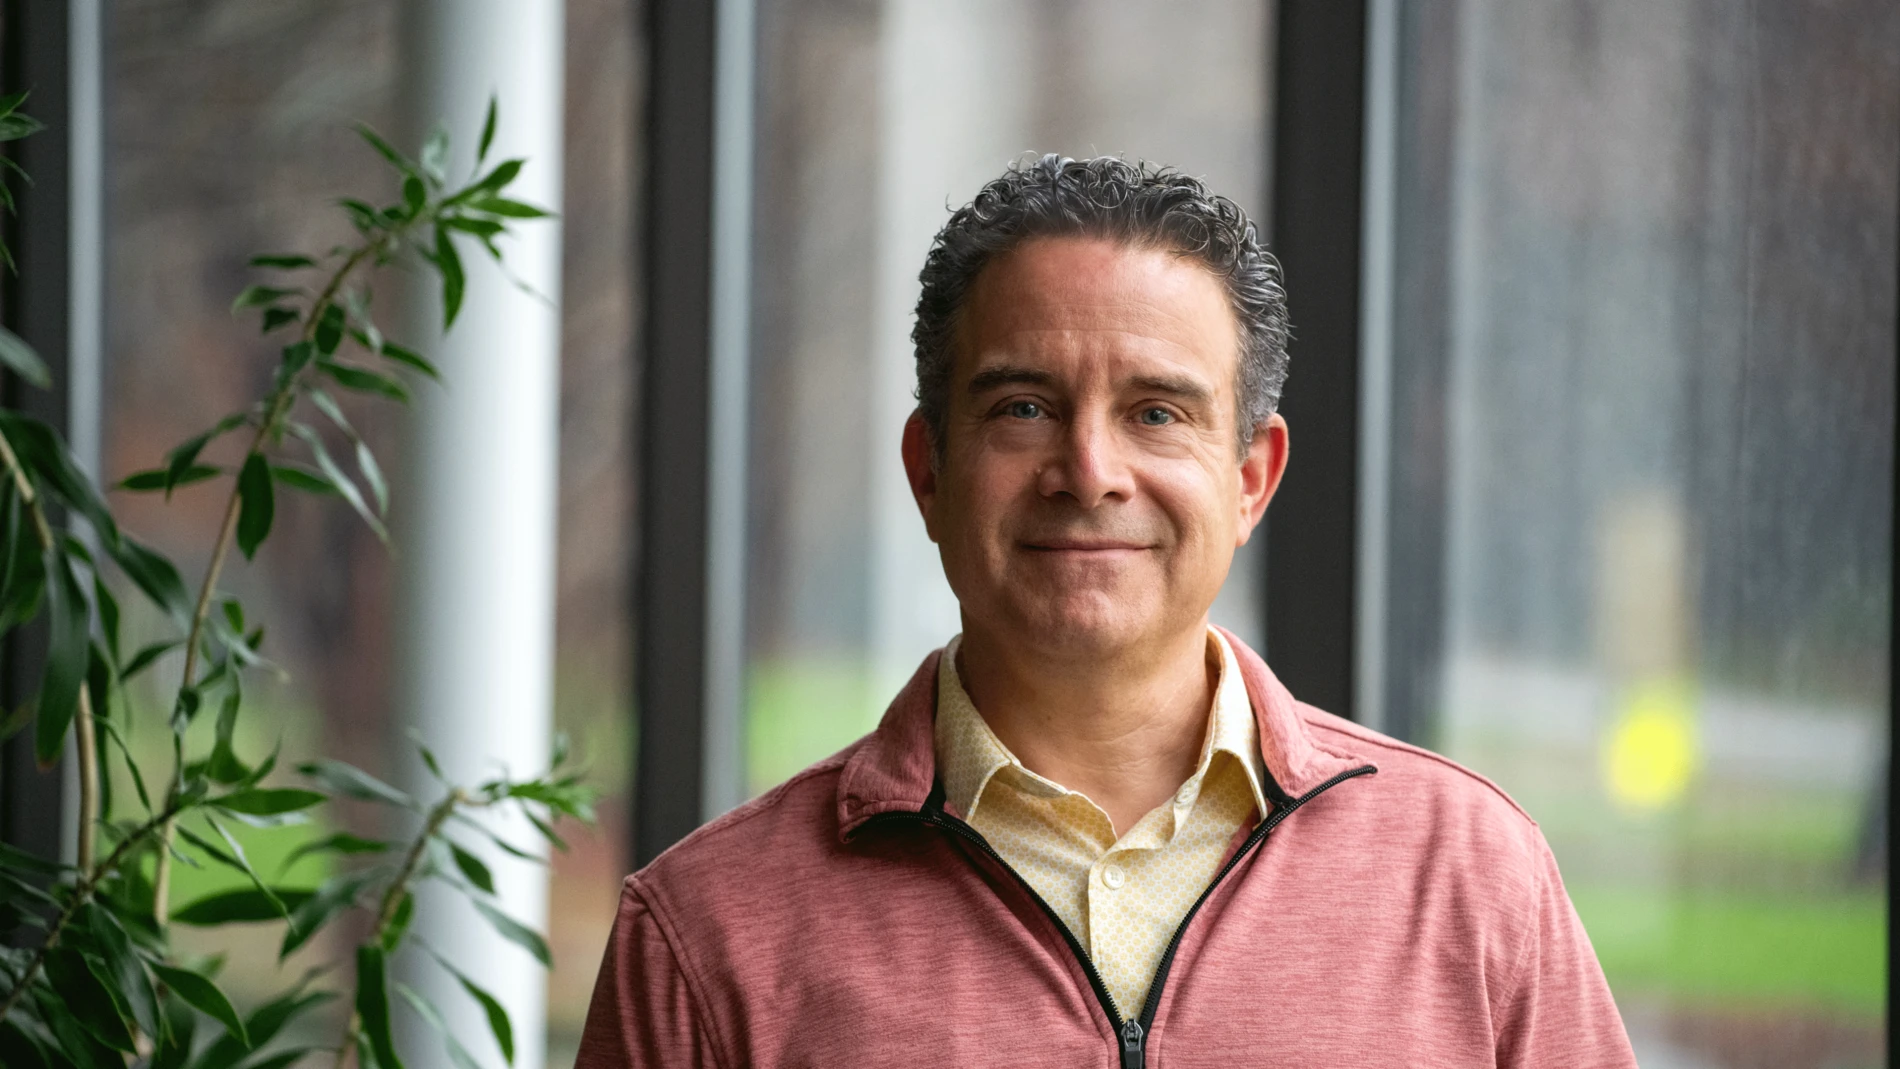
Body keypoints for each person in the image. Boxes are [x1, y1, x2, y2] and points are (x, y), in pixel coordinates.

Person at [576, 155, 1636, 1067]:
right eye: (1023, 408)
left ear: (1251, 479)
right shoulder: (708, 933)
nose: (1088, 471)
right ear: (929, 471)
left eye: (1156, 412)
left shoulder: (1467, 871)